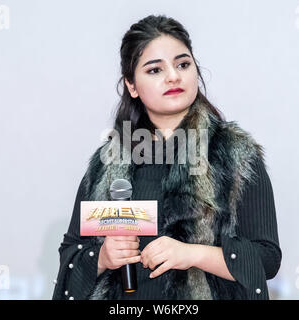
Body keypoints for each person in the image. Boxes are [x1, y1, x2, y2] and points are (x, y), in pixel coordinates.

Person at [52, 14, 281, 300]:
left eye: (183, 64)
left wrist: (192, 254)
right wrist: (102, 258)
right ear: (132, 85)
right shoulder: (108, 164)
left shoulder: (235, 155)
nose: (173, 76)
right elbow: (71, 251)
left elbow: (267, 258)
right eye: (154, 70)